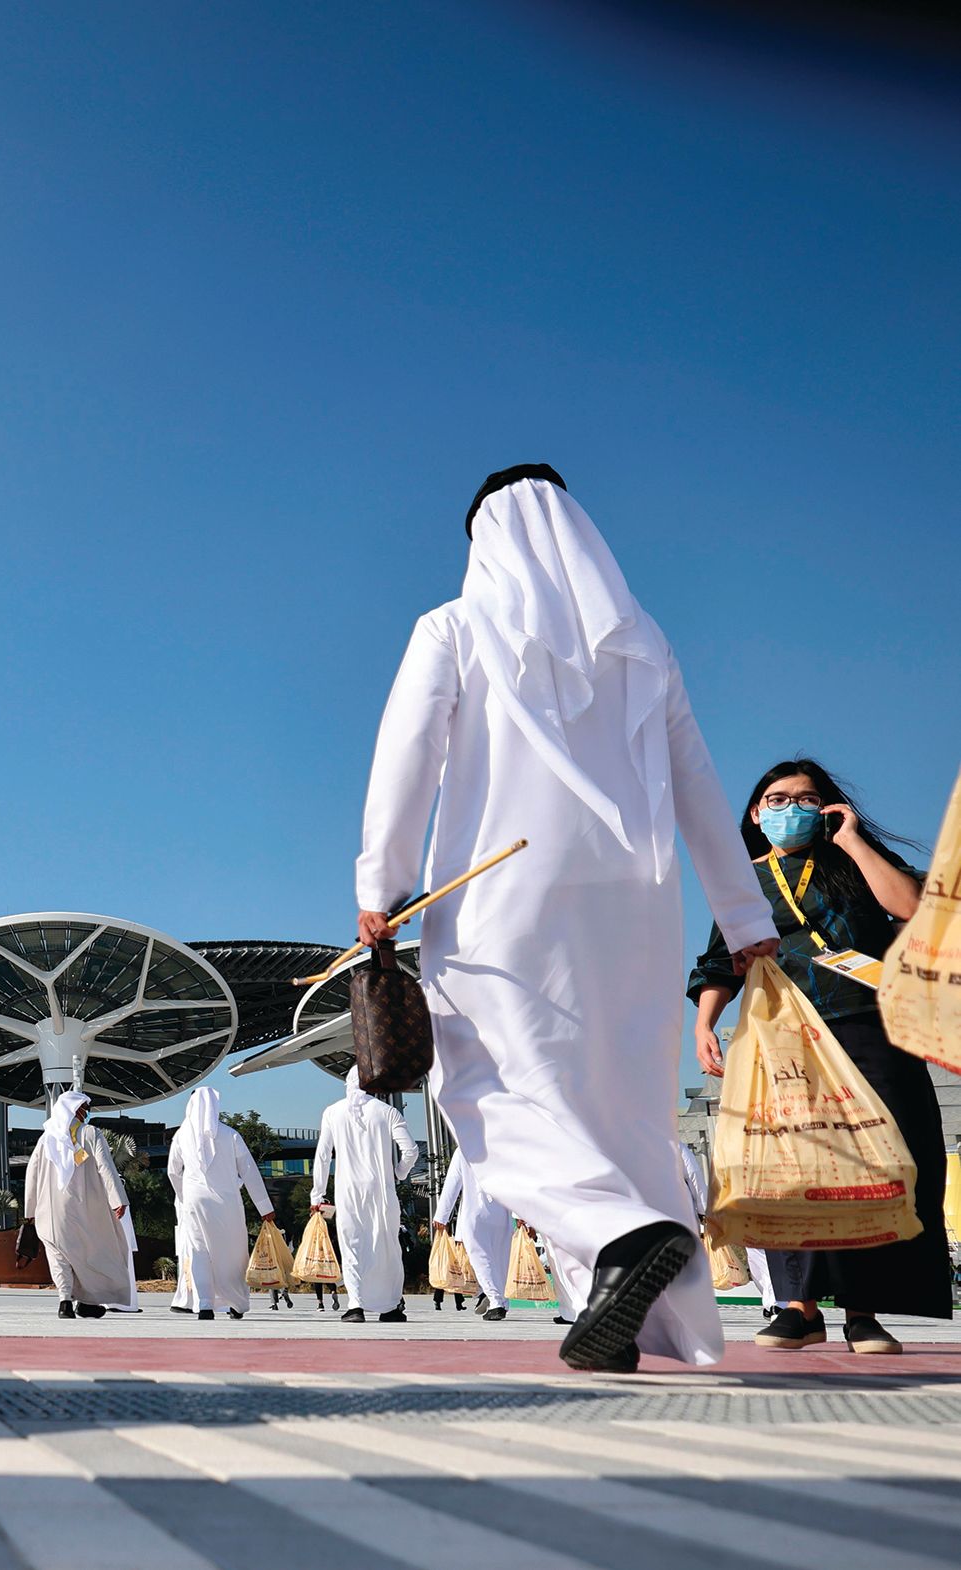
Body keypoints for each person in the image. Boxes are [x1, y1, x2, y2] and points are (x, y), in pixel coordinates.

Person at [356, 465, 778, 1372]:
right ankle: (639, 1321)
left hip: (498, 895)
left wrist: (380, 883)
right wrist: (743, 913)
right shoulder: (644, 645)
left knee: (486, 1085)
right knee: (622, 1109)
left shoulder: (456, 626)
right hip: (637, 901)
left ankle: (620, 1240)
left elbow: (407, 754)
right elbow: (702, 786)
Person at [690, 759, 946, 1355]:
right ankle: (799, 1309)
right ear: (756, 814)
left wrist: (852, 839)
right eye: (777, 800)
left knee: (877, 1163)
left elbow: (911, 907)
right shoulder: (741, 880)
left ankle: (864, 1312)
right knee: (791, 1164)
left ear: (828, 808)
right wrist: (705, 1022)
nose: (790, 809)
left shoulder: (850, 863)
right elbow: (719, 959)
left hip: (866, 1023)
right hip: (779, 1032)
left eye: (805, 799)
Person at [310, 1080, 417, 1322]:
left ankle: (356, 1305)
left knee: (352, 1246)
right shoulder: (387, 1111)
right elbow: (411, 1150)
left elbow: (323, 1155)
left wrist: (317, 1194)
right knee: (387, 1245)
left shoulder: (332, 1112)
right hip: (382, 1190)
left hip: (347, 1190)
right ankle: (389, 1307)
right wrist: (398, 1173)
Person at [22, 1091, 135, 1320]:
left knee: (59, 1257)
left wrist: (30, 1211)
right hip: (84, 1210)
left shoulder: (45, 1139)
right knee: (89, 1255)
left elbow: (31, 1175)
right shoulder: (90, 1133)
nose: (87, 1113)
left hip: (48, 1212)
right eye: (84, 1108)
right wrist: (118, 1200)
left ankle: (67, 1302)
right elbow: (106, 1167)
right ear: (75, 1110)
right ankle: (86, 1301)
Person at [167, 1089, 276, 1321]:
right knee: (232, 1252)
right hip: (225, 1202)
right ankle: (235, 1303)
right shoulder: (230, 1135)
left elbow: (172, 1172)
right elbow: (249, 1171)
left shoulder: (181, 1135)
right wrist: (265, 1207)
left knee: (199, 1252)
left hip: (194, 1201)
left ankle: (205, 1304)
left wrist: (184, 1196)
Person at [432, 1148, 513, 1320]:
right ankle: (502, 1301)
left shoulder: (464, 1148)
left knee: (481, 1258)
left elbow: (453, 1183)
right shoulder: (502, 1147)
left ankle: (495, 1301)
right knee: (501, 1258)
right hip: (502, 1211)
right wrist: (522, 1216)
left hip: (474, 1212)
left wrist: (441, 1216)